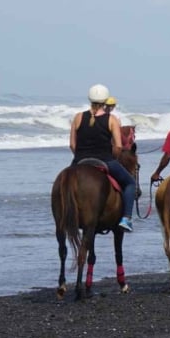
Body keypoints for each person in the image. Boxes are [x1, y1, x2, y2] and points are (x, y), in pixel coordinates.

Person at [69, 84, 139, 231]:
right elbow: (118, 147)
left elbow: (72, 145)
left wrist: (81, 156)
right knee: (130, 183)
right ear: (105, 100)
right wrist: (112, 157)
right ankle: (126, 218)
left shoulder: (78, 117)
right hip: (105, 159)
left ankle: (64, 215)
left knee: (65, 183)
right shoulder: (111, 119)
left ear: (90, 99)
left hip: (79, 160)